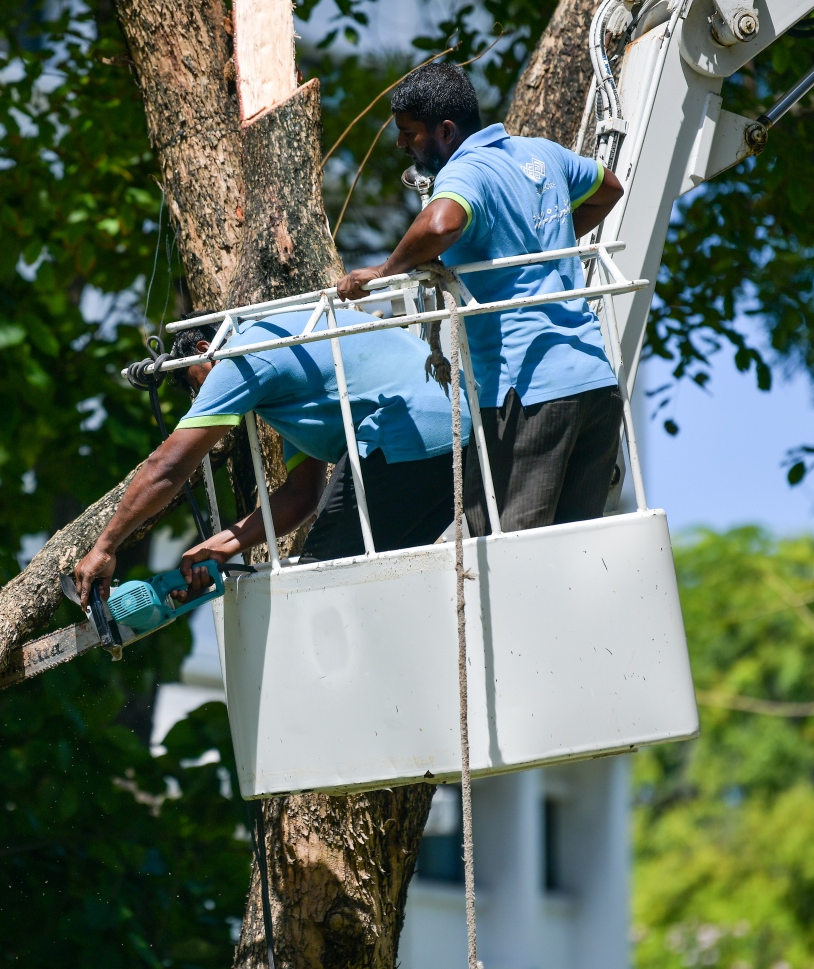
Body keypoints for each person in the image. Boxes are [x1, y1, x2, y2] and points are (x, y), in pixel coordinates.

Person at [337, 62, 627, 536]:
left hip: (526, 393)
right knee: (570, 556)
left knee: (506, 556)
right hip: (595, 383)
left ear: (446, 131)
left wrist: (382, 272)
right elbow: (608, 187)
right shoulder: (541, 154)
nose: (400, 144)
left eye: (409, 133)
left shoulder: (467, 170)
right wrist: (545, 245)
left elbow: (440, 224)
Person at [72, 308, 468, 607]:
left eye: (200, 385)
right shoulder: (298, 370)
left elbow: (167, 466)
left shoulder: (246, 353)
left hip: (402, 433)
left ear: (205, 350)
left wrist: (106, 546)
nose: (207, 399)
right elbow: (301, 495)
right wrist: (225, 544)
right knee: (373, 583)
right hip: (459, 437)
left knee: (322, 581)